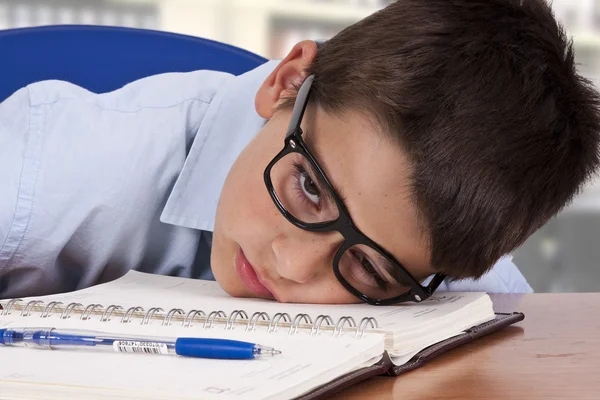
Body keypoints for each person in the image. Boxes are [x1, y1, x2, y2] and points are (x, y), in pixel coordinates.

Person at [1, 0, 598, 304]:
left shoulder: (440, 249)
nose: (292, 267)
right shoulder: (48, 166)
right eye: (309, 188)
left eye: (369, 267)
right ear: (286, 84)